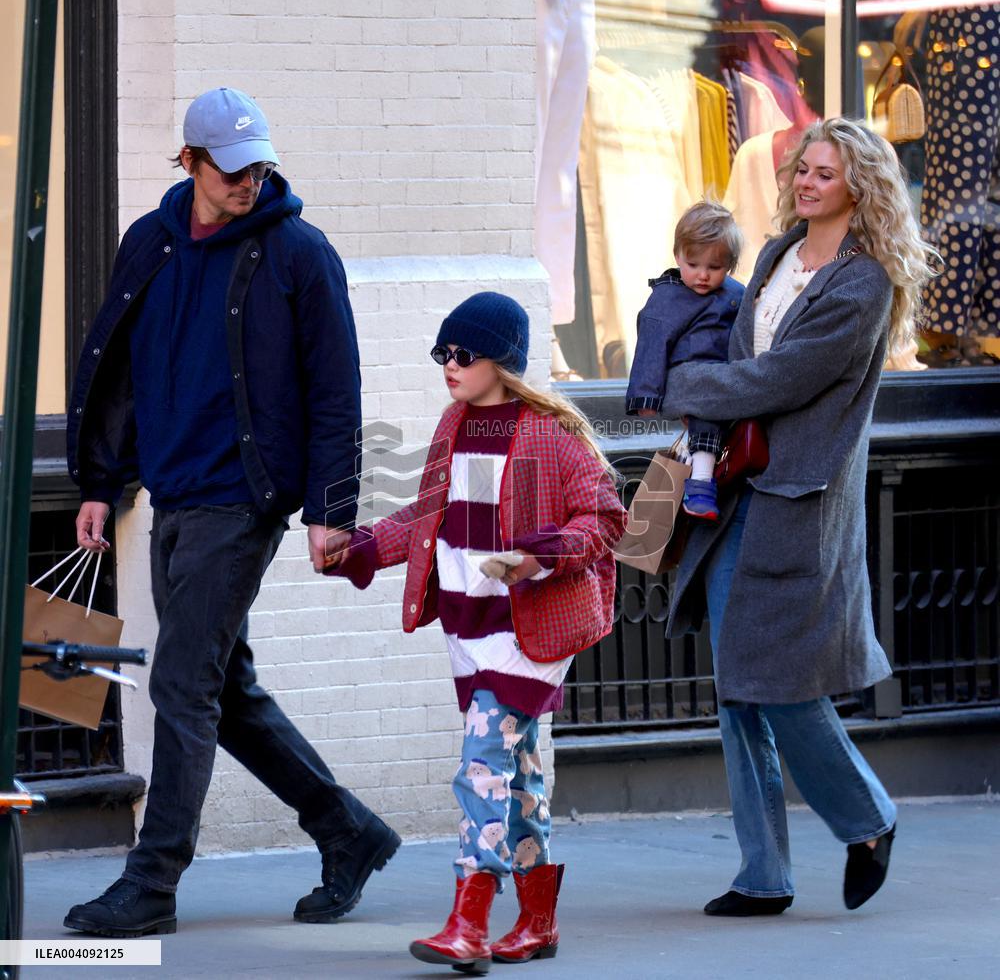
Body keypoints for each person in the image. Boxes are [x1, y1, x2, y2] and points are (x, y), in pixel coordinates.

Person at [63, 87, 399, 937]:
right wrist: (99, 482)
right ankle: (347, 831)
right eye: (231, 167)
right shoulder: (151, 243)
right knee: (225, 689)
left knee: (180, 683)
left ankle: (152, 882)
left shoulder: (297, 254)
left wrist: (333, 509)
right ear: (190, 162)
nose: (249, 180)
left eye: (259, 165)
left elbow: (335, 392)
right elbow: (117, 368)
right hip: (171, 494)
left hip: (241, 501)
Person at [661, 117, 937, 916]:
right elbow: (747, 354)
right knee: (736, 689)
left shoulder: (864, 282)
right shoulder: (780, 253)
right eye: (804, 168)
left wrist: (683, 386)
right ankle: (762, 872)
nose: (807, 181)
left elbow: (781, 377)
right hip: (734, 486)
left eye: (825, 172)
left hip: (798, 501)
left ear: (860, 185)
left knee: (776, 682)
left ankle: (868, 817)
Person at [327, 292, 626, 972]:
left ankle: (470, 921)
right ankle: (538, 922)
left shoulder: (550, 435)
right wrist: (366, 548)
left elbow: (604, 519)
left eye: (463, 354)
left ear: (504, 360)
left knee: (480, 766)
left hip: (531, 629)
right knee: (517, 776)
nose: (449, 366)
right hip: (470, 626)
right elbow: (429, 516)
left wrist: (536, 556)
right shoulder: (454, 426)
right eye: (442, 354)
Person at [624, 200, 746, 521]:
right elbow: (651, 345)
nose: (703, 275)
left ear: (730, 266)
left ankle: (699, 466)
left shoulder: (735, 294)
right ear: (678, 255)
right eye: (693, 264)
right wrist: (646, 396)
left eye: (715, 268)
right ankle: (700, 482)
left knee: (714, 410)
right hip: (693, 379)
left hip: (729, 379)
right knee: (705, 401)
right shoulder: (667, 298)